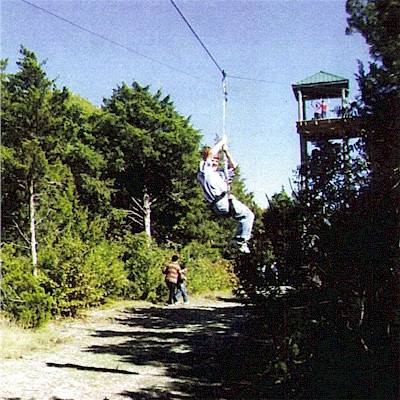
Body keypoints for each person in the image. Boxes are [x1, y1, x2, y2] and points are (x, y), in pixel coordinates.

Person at [197, 134, 254, 253]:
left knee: (247, 216)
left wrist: (226, 152)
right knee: (248, 215)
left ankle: (239, 240)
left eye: (217, 160)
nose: (215, 161)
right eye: (213, 159)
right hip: (221, 202)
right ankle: (239, 241)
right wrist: (221, 141)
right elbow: (211, 154)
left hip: (224, 202)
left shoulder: (220, 174)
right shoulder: (204, 171)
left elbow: (234, 168)